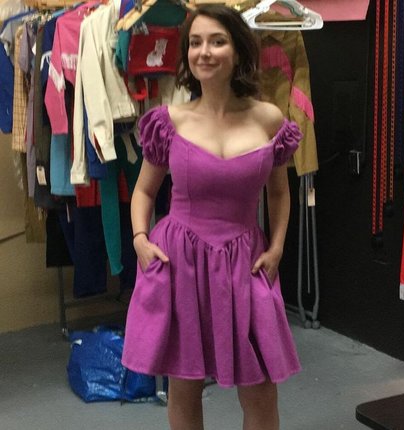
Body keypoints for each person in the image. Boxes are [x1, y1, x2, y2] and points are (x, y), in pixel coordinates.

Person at [121, 5, 302, 430]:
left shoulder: (268, 118)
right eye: (196, 43)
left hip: (246, 260)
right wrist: (140, 239)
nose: (204, 52)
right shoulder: (170, 121)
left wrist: (277, 246)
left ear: (238, 51)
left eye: (217, 41)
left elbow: (279, 193)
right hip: (180, 260)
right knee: (184, 382)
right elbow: (144, 190)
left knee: (261, 387)